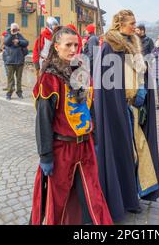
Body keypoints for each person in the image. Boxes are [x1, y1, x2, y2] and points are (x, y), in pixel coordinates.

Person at [30, 27, 112, 225]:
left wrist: (94, 136)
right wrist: (46, 155)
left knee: (94, 198)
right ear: (56, 47)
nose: (73, 49)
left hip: (85, 147)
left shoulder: (81, 72)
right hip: (61, 150)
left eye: (76, 44)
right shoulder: (49, 78)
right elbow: (43, 120)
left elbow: (89, 107)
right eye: (68, 45)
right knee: (56, 202)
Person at [94, 10, 159, 222]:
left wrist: (141, 90)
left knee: (138, 151)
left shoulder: (133, 45)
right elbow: (108, 85)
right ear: (120, 23)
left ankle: (133, 195)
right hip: (118, 110)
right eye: (131, 23)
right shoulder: (109, 47)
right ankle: (123, 198)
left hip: (132, 109)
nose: (134, 26)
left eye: (135, 23)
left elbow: (138, 74)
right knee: (124, 153)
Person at [3, 23, 29, 100]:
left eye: (17, 29)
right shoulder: (7, 35)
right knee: (10, 78)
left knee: (19, 78)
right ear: (11, 29)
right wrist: (12, 34)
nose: (16, 30)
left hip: (19, 60)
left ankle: (19, 92)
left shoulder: (19, 35)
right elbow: (6, 42)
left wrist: (19, 42)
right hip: (10, 61)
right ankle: (9, 93)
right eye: (14, 29)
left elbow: (26, 42)